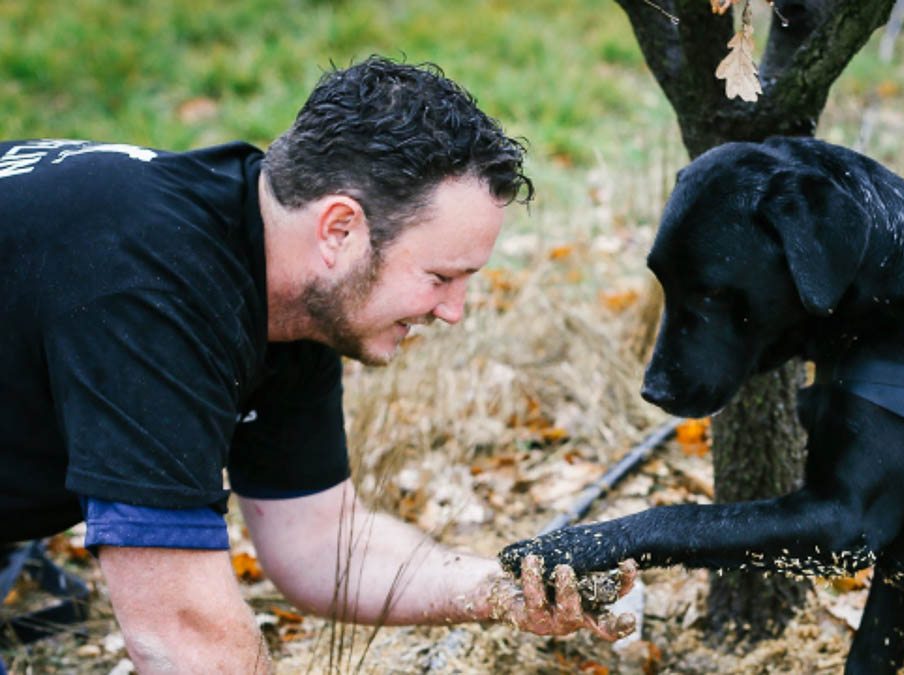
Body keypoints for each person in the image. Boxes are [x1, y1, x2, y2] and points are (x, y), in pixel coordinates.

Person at [0, 56, 634, 672]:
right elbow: (183, 638)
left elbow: (319, 542)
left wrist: (504, 588)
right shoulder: (152, 290)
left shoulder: (284, 277)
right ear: (340, 230)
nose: (454, 312)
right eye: (440, 276)